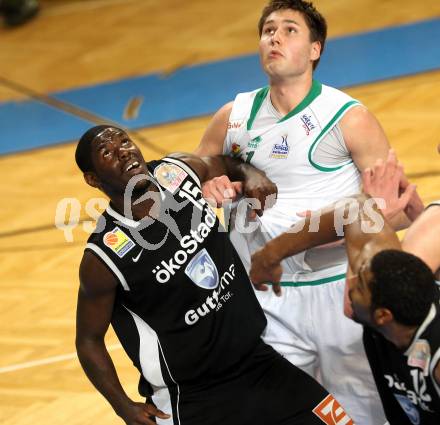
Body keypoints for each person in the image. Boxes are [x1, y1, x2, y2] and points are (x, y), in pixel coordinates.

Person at [194, 0, 415, 422]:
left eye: (289, 30)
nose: (274, 37)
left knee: (365, 416)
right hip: (264, 298)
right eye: (267, 30)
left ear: (315, 49)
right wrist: (209, 183)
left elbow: (401, 211)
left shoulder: (348, 117)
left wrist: (325, 230)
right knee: (280, 414)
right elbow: (185, 184)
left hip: (342, 296)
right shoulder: (232, 117)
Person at [74, 125, 353, 425]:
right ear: (92, 179)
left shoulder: (176, 172)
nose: (123, 151)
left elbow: (225, 162)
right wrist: (122, 406)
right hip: (194, 398)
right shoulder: (105, 256)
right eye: (108, 152)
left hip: (258, 362)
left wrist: (250, 173)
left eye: (124, 141)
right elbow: (88, 341)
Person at [249, 150, 440, 424]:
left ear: (382, 315)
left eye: (357, 286)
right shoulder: (384, 281)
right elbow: (355, 209)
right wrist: (271, 254)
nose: (349, 284)